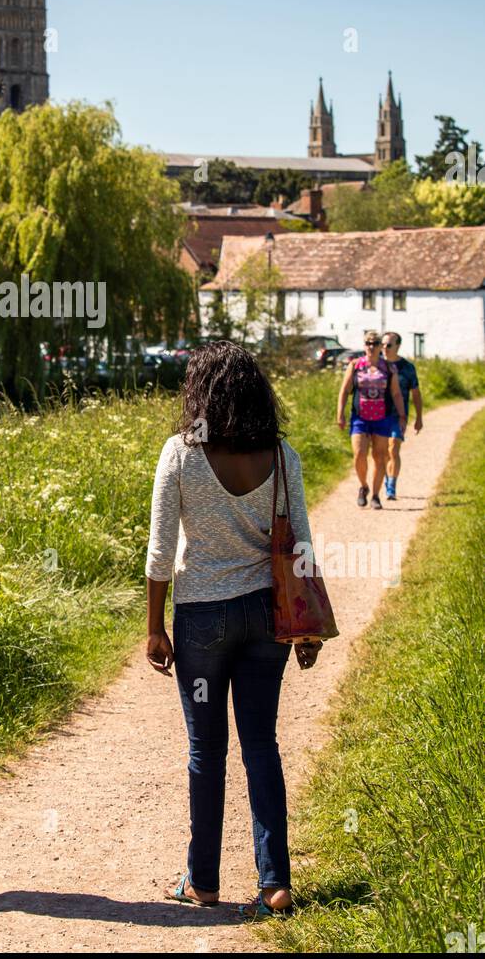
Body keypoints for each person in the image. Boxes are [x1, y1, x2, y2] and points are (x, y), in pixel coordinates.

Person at [146, 340, 321, 920]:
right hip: (266, 618)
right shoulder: (280, 453)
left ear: (199, 393)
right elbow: (301, 545)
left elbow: (160, 550)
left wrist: (153, 627)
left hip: (201, 619)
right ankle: (276, 884)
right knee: (262, 744)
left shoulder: (180, 453)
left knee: (206, 750)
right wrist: (308, 630)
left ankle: (204, 881)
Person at [337, 331, 406, 509]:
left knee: (379, 457)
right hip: (360, 418)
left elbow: (396, 393)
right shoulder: (355, 365)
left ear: (379, 346)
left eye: (375, 343)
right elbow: (344, 391)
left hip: (382, 418)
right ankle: (363, 486)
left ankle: (375, 495)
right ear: (364, 345)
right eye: (368, 343)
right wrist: (340, 414)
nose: (371, 346)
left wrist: (402, 416)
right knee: (359, 454)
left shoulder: (389, 368)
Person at [380, 332, 423, 500]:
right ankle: (383, 478)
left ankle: (391, 486)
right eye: (382, 344)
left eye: (388, 345)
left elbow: (416, 394)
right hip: (377, 416)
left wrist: (419, 418)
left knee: (393, 449)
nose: (384, 348)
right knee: (381, 453)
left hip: (398, 416)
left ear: (397, 346)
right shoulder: (377, 365)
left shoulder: (407, 368)